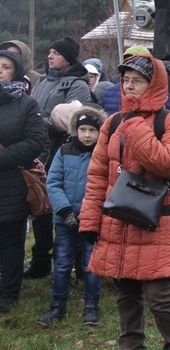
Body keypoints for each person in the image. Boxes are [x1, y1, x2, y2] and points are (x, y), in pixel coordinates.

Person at [78, 54, 170, 348]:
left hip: (158, 221)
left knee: (159, 295)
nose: (128, 87)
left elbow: (168, 164)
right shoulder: (112, 122)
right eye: (125, 80)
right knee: (126, 294)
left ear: (153, 85)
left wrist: (135, 123)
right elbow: (98, 175)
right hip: (118, 222)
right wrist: (90, 221)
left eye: (137, 81)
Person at [26, 37, 92, 280]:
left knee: (68, 208)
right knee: (39, 207)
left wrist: (38, 123)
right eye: (50, 51)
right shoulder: (42, 81)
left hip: (64, 153)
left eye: (56, 52)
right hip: (37, 151)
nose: (50, 56)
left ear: (69, 57)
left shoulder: (78, 85)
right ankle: (41, 259)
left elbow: (77, 122)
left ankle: (78, 266)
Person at [38, 106, 106, 326]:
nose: (87, 135)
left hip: (92, 218)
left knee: (90, 264)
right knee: (62, 262)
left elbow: (107, 186)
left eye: (92, 131)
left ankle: (91, 306)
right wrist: (65, 210)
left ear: (100, 132)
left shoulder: (103, 155)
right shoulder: (64, 151)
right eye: (83, 129)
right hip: (65, 218)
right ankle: (58, 305)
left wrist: (93, 212)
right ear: (76, 130)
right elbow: (53, 182)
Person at [0, 50, 46, 313]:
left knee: (10, 240)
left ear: (15, 72)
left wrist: (3, 157)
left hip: (13, 181)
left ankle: (9, 291)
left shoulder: (26, 104)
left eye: (5, 67)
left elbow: (35, 142)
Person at [100, 45, 151, 115]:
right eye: (126, 80)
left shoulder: (160, 97)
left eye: (137, 81)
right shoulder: (110, 92)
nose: (130, 86)